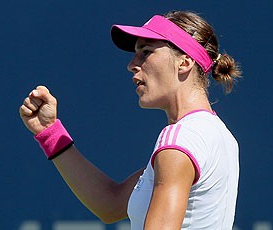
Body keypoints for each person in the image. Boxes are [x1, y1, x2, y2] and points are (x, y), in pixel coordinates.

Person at [19, 10, 242, 230]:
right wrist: (50, 132)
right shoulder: (219, 137)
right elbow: (111, 203)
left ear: (184, 63)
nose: (132, 64)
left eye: (145, 52)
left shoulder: (181, 138)